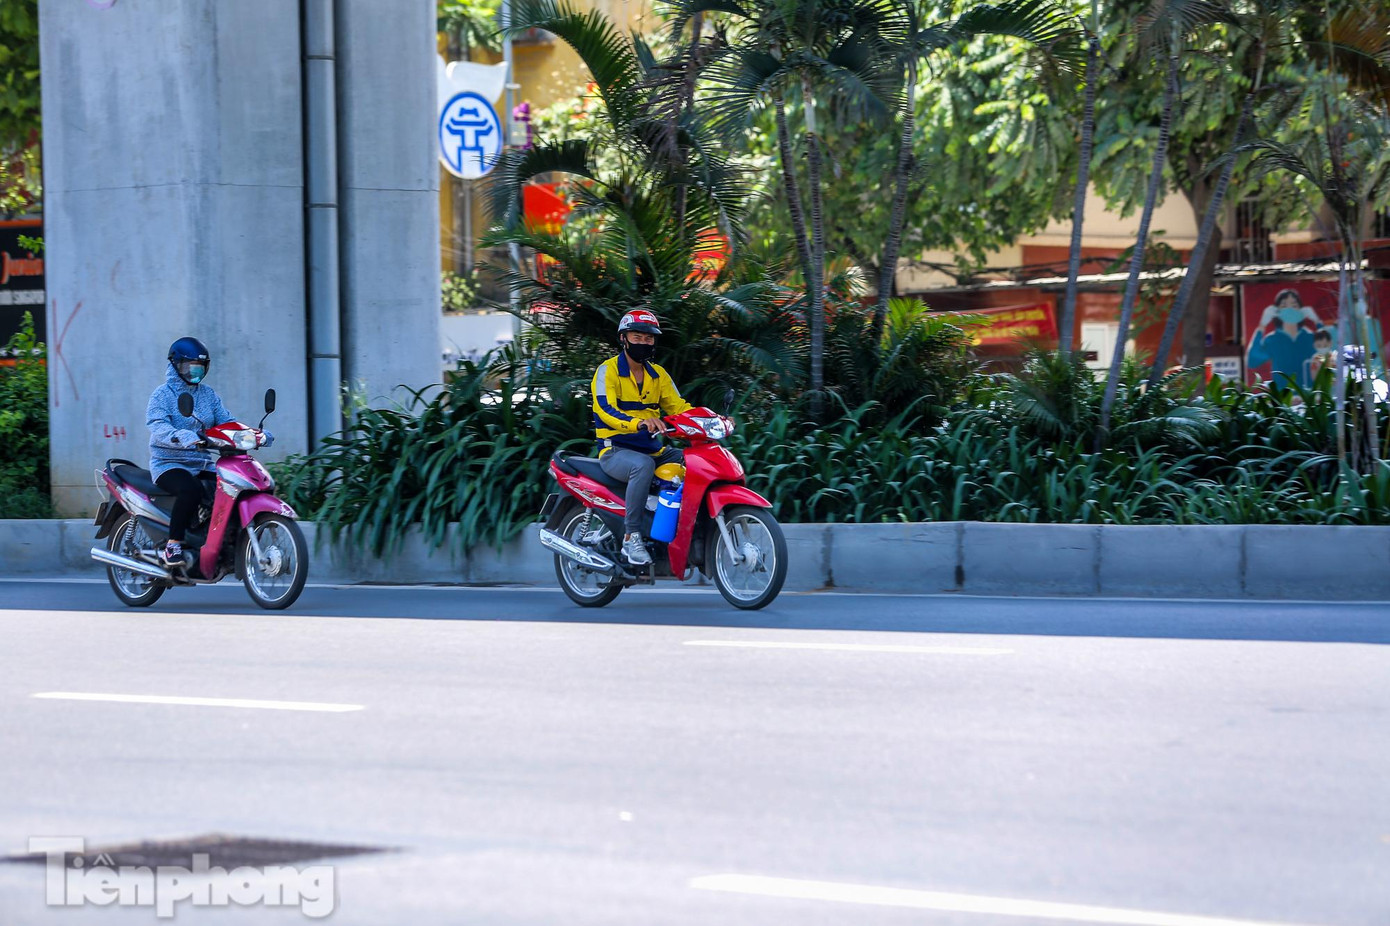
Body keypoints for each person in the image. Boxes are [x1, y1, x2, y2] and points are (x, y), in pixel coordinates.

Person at [146, 337, 271, 567]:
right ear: (176, 364)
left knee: (230, 488)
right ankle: (173, 545)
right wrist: (184, 436)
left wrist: (253, 434)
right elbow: (157, 425)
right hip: (169, 463)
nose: (196, 372)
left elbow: (227, 422)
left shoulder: (208, 395)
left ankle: (216, 541)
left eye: (200, 368)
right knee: (190, 490)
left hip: (202, 462)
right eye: (190, 367)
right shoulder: (162, 395)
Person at [591, 310, 691, 566]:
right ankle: (631, 537)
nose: (644, 343)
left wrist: (711, 420)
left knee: (693, 460)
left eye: (649, 339)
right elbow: (605, 409)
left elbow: (679, 407)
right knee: (642, 466)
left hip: (652, 448)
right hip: (615, 450)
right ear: (624, 339)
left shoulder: (658, 375)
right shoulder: (607, 371)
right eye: (638, 337)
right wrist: (639, 423)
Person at [1246, 288, 1324, 389]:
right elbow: (1252, 361)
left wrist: (1317, 321)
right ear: (1276, 311)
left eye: (1294, 305)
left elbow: (1328, 354)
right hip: (1284, 398)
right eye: (1284, 306)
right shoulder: (1272, 340)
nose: (1290, 309)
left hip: (1309, 397)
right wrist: (1262, 325)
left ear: (1301, 310)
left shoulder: (1310, 337)